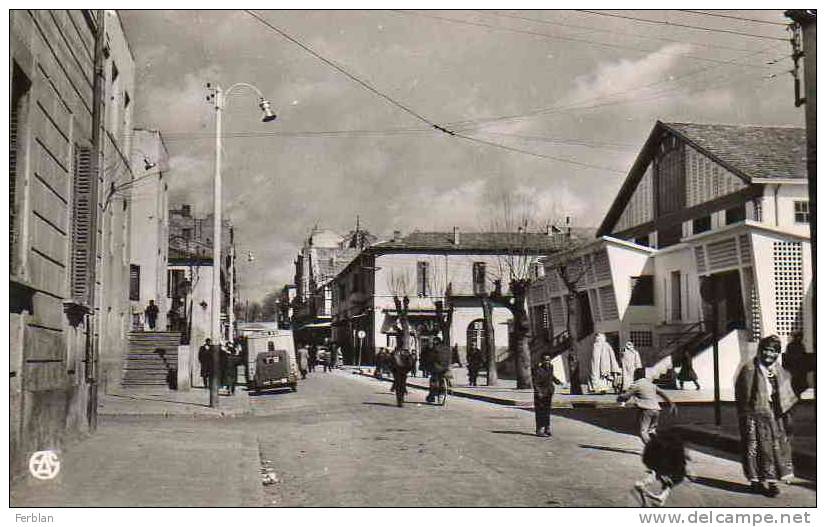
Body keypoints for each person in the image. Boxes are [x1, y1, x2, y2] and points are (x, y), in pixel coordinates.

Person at [735, 335, 797, 497]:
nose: (769, 354)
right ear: (760, 350)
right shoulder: (749, 369)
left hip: (774, 414)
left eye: (773, 351)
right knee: (756, 448)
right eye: (766, 350)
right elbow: (743, 395)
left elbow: (785, 391)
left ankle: (772, 482)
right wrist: (748, 418)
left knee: (775, 448)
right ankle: (756, 481)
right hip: (755, 415)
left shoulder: (778, 369)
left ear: (777, 353)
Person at [618, 368, 676, 445]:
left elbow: (626, 396)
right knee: (652, 430)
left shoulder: (636, 384)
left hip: (646, 409)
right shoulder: (650, 384)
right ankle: (660, 444)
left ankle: (653, 448)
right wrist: (671, 403)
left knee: (643, 431)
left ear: (636, 375)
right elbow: (661, 392)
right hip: (656, 410)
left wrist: (619, 398)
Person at [633, 429, 689, 507]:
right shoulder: (674, 453)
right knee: (670, 478)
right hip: (669, 464)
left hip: (667, 464)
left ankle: (660, 495)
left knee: (665, 477)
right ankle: (661, 495)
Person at [532, 352, 563, 437]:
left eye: (548, 360)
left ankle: (547, 428)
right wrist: (538, 392)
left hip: (549, 391)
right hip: (540, 393)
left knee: (547, 411)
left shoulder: (550, 367)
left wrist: (557, 381)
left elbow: (551, 376)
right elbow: (535, 382)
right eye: (545, 360)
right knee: (540, 411)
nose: (547, 362)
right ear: (541, 361)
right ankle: (539, 430)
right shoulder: (537, 369)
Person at [783, 331, 811, 397]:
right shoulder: (792, 345)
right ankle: (797, 395)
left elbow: (803, 356)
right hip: (796, 367)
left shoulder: (800, 345)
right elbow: (789, 356)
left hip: (799, 367)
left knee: (799, 382)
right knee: (796, 382)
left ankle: (798, 395)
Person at [426, 337, 450, 403]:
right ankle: (442, 392)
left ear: (436, 342)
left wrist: (427, 366)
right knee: (443, 379)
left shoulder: (434, 349)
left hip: (436, 368)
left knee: (433, 381)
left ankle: (432, 395)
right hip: (445, 368)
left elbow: (430, 359)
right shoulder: (447, 348)